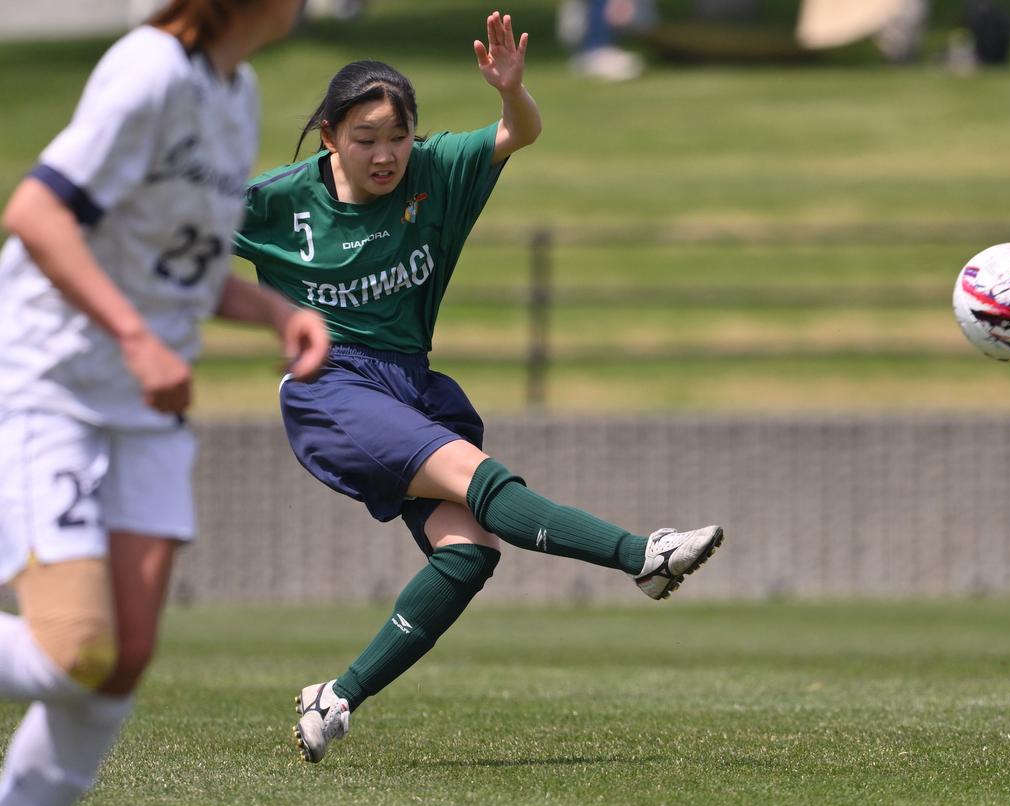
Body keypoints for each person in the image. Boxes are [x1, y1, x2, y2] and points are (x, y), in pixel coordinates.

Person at [233, 9, 724, 765]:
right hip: (329, 387)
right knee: (477, 475)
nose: (386, 153)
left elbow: (519, 132)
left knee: (468, 554)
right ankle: (643, 556)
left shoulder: (434, 171)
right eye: (365, 138)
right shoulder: (277, 200)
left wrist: (511, 91)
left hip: (406, 384)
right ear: (329, 136)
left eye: (398, 135)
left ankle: (335, 699)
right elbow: (168, 232)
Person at [0, 1, 327, 806]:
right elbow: (37, 213)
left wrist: (274, 311)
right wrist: (138, 339)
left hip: (140, 413)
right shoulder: (149, 68)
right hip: (46, 385)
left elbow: (175, 266)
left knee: (120, 663)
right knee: (74, 650)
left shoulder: (239, 92)